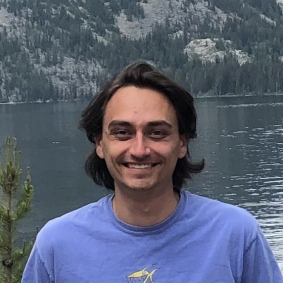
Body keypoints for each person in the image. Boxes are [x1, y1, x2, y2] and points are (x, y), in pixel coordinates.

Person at [22, 62, 283, 283]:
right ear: (100, 143)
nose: (139, 149)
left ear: (182, 143)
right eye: (122, 132)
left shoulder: (234, 235)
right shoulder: (56, 244)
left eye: (157, 132)